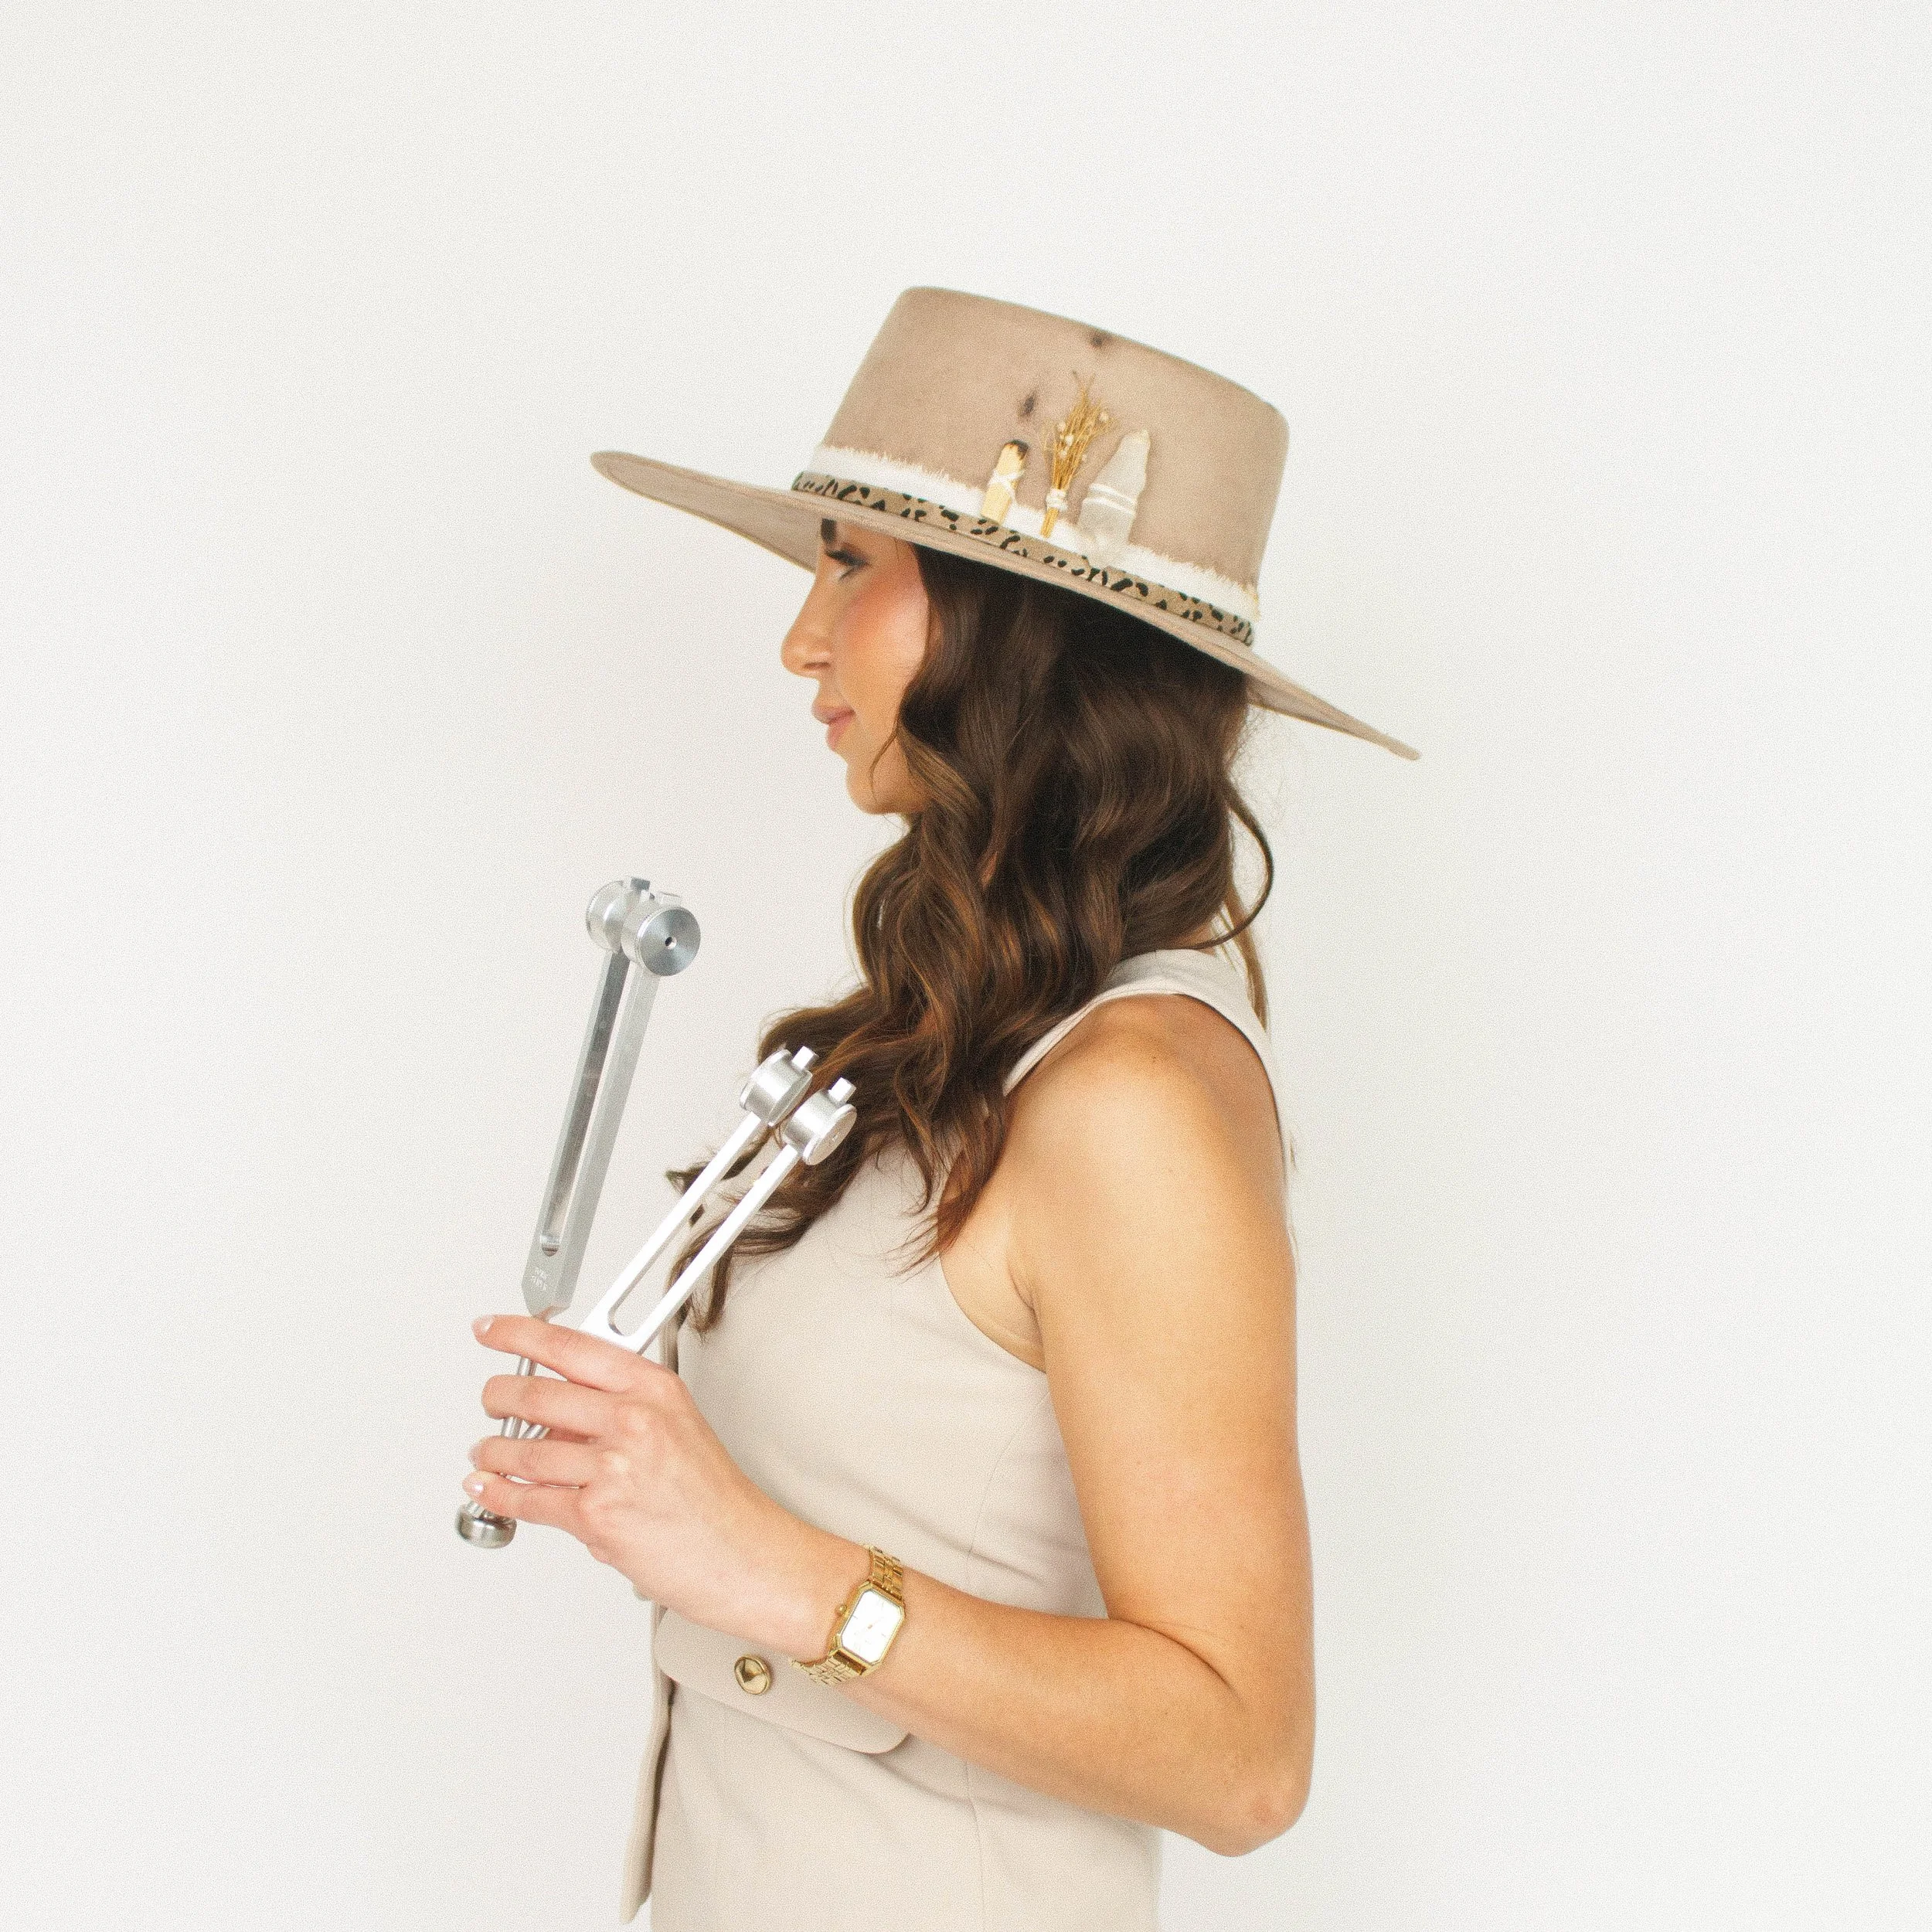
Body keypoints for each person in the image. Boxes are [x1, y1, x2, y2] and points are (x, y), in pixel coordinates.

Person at [460, 288, 1415, 1930]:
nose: (798, 635)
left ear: (1008, 619)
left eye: (849, 564)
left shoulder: (1131, 1098)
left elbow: (1240, 1751)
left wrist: (762, 1560)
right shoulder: (959, 1038)